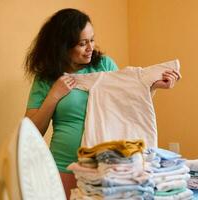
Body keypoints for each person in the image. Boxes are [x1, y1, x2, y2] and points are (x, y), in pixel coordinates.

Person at [24, 8, 180, 199]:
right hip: (63, 165)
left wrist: (152, 86)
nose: (90, 47)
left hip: (106, 165)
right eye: (82, 43)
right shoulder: (46, 78)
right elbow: (31, 130)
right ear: (63, 46)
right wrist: (54, 95)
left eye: (92, 40)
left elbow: (127, 105)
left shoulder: (103, 66)